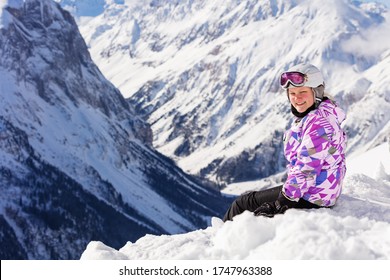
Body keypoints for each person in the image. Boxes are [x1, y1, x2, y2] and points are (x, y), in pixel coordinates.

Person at [223, 63, 347, 221]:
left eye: (303, 92)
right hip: (321, 190)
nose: (297, 98)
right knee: (248, 202)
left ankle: (221, 240)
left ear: (317, 92)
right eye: (292, 93)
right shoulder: (322, 113)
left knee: (241, 204)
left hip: (313, 195)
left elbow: (306, 168)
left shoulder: (318, 124)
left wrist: (284, 201)